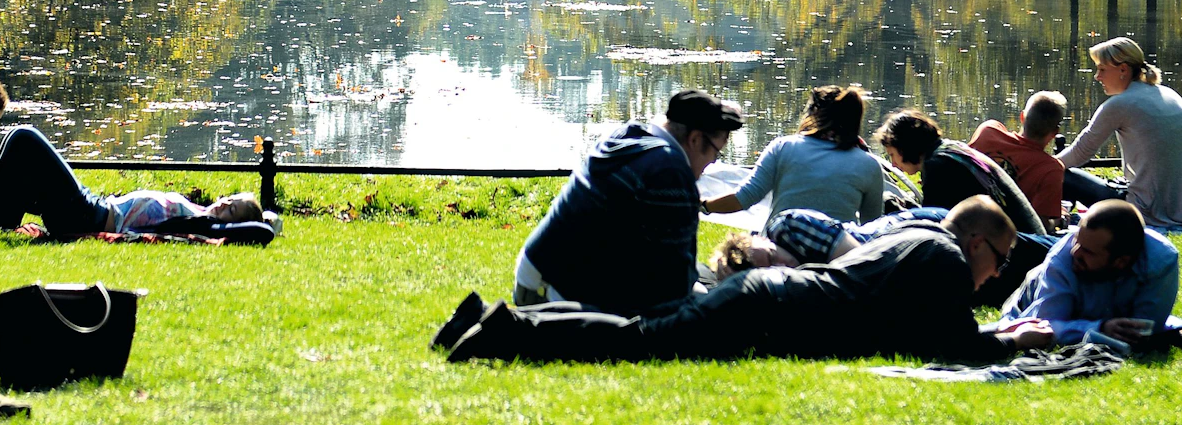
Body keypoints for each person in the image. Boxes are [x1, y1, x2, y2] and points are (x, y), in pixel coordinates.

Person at [443, 196, 1054, 364]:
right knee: (641, 340)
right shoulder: (945, 261)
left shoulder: (914, 240)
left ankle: (495, 322)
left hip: (773, 298)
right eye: (999, 260)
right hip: (774, 311)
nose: (997, 273)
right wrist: (1011, 341)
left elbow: (917, 331)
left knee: (644, 330)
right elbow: (952, 344)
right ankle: (506, 331)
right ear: (978, 242)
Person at [0, 74, 275, 243]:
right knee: (22, 147)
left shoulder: (200, 224)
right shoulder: (196, 211)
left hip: (90, 213)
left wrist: (260, 222)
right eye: (228, 200)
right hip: (92, 203)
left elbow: (259, 229)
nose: (222, 205)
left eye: (230, 209)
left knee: (23, 137)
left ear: (229, 223)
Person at [513, 90, 742, 314]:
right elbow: (676, 283)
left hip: (534, 275)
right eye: (716, 152)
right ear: (694, 139)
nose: (712, 163)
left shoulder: (628, 137)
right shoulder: (669, 170)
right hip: (559, 299)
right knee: (710, 308)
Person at [1054, 36, 1182, 231]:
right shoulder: (1168, 93)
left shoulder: (1119, 104)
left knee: (1062, 175)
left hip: (1147, 211)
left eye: (1102, 69)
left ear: (1123, 69)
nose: (1097, 77)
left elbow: (1080, 152)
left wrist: (1040, 166)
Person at [1001, 200, 1177, 347]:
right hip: (1032, 294)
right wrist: (1099, 328)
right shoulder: (1061, 260)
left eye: (1088, 251)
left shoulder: (1160, 262)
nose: (1076, 252)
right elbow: (1045, 328)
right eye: (1077, 240)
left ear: (1120, 262)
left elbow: (1145, 331)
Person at [700, 85, 884, 225]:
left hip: (778, 254)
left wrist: (703, 206)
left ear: (813, 114)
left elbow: (745, 198)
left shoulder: (783, 147)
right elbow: (872, 227)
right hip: (835, 265)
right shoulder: (869, 165)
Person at [876, 109, 1047, 236]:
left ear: (906, 146)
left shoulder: (938, 166)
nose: (894, 164)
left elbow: (935, 230)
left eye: (892, 155)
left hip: (1020, 251)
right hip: (1026, 241)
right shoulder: (952, 149)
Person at [709, 206, 951, 277]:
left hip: (931, 227)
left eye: (773, 257)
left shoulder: (791, 227)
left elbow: (866, 266)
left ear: (761, 238)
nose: (782, 267)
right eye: (769, 270)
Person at [967, 91, 1069, 228]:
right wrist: (1059, 219)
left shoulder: (988, 131)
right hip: (1004, 232)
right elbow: (1040, 225)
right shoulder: (1051, 169)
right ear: (1056, 132)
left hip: (965, 215)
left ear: (1022, 117)